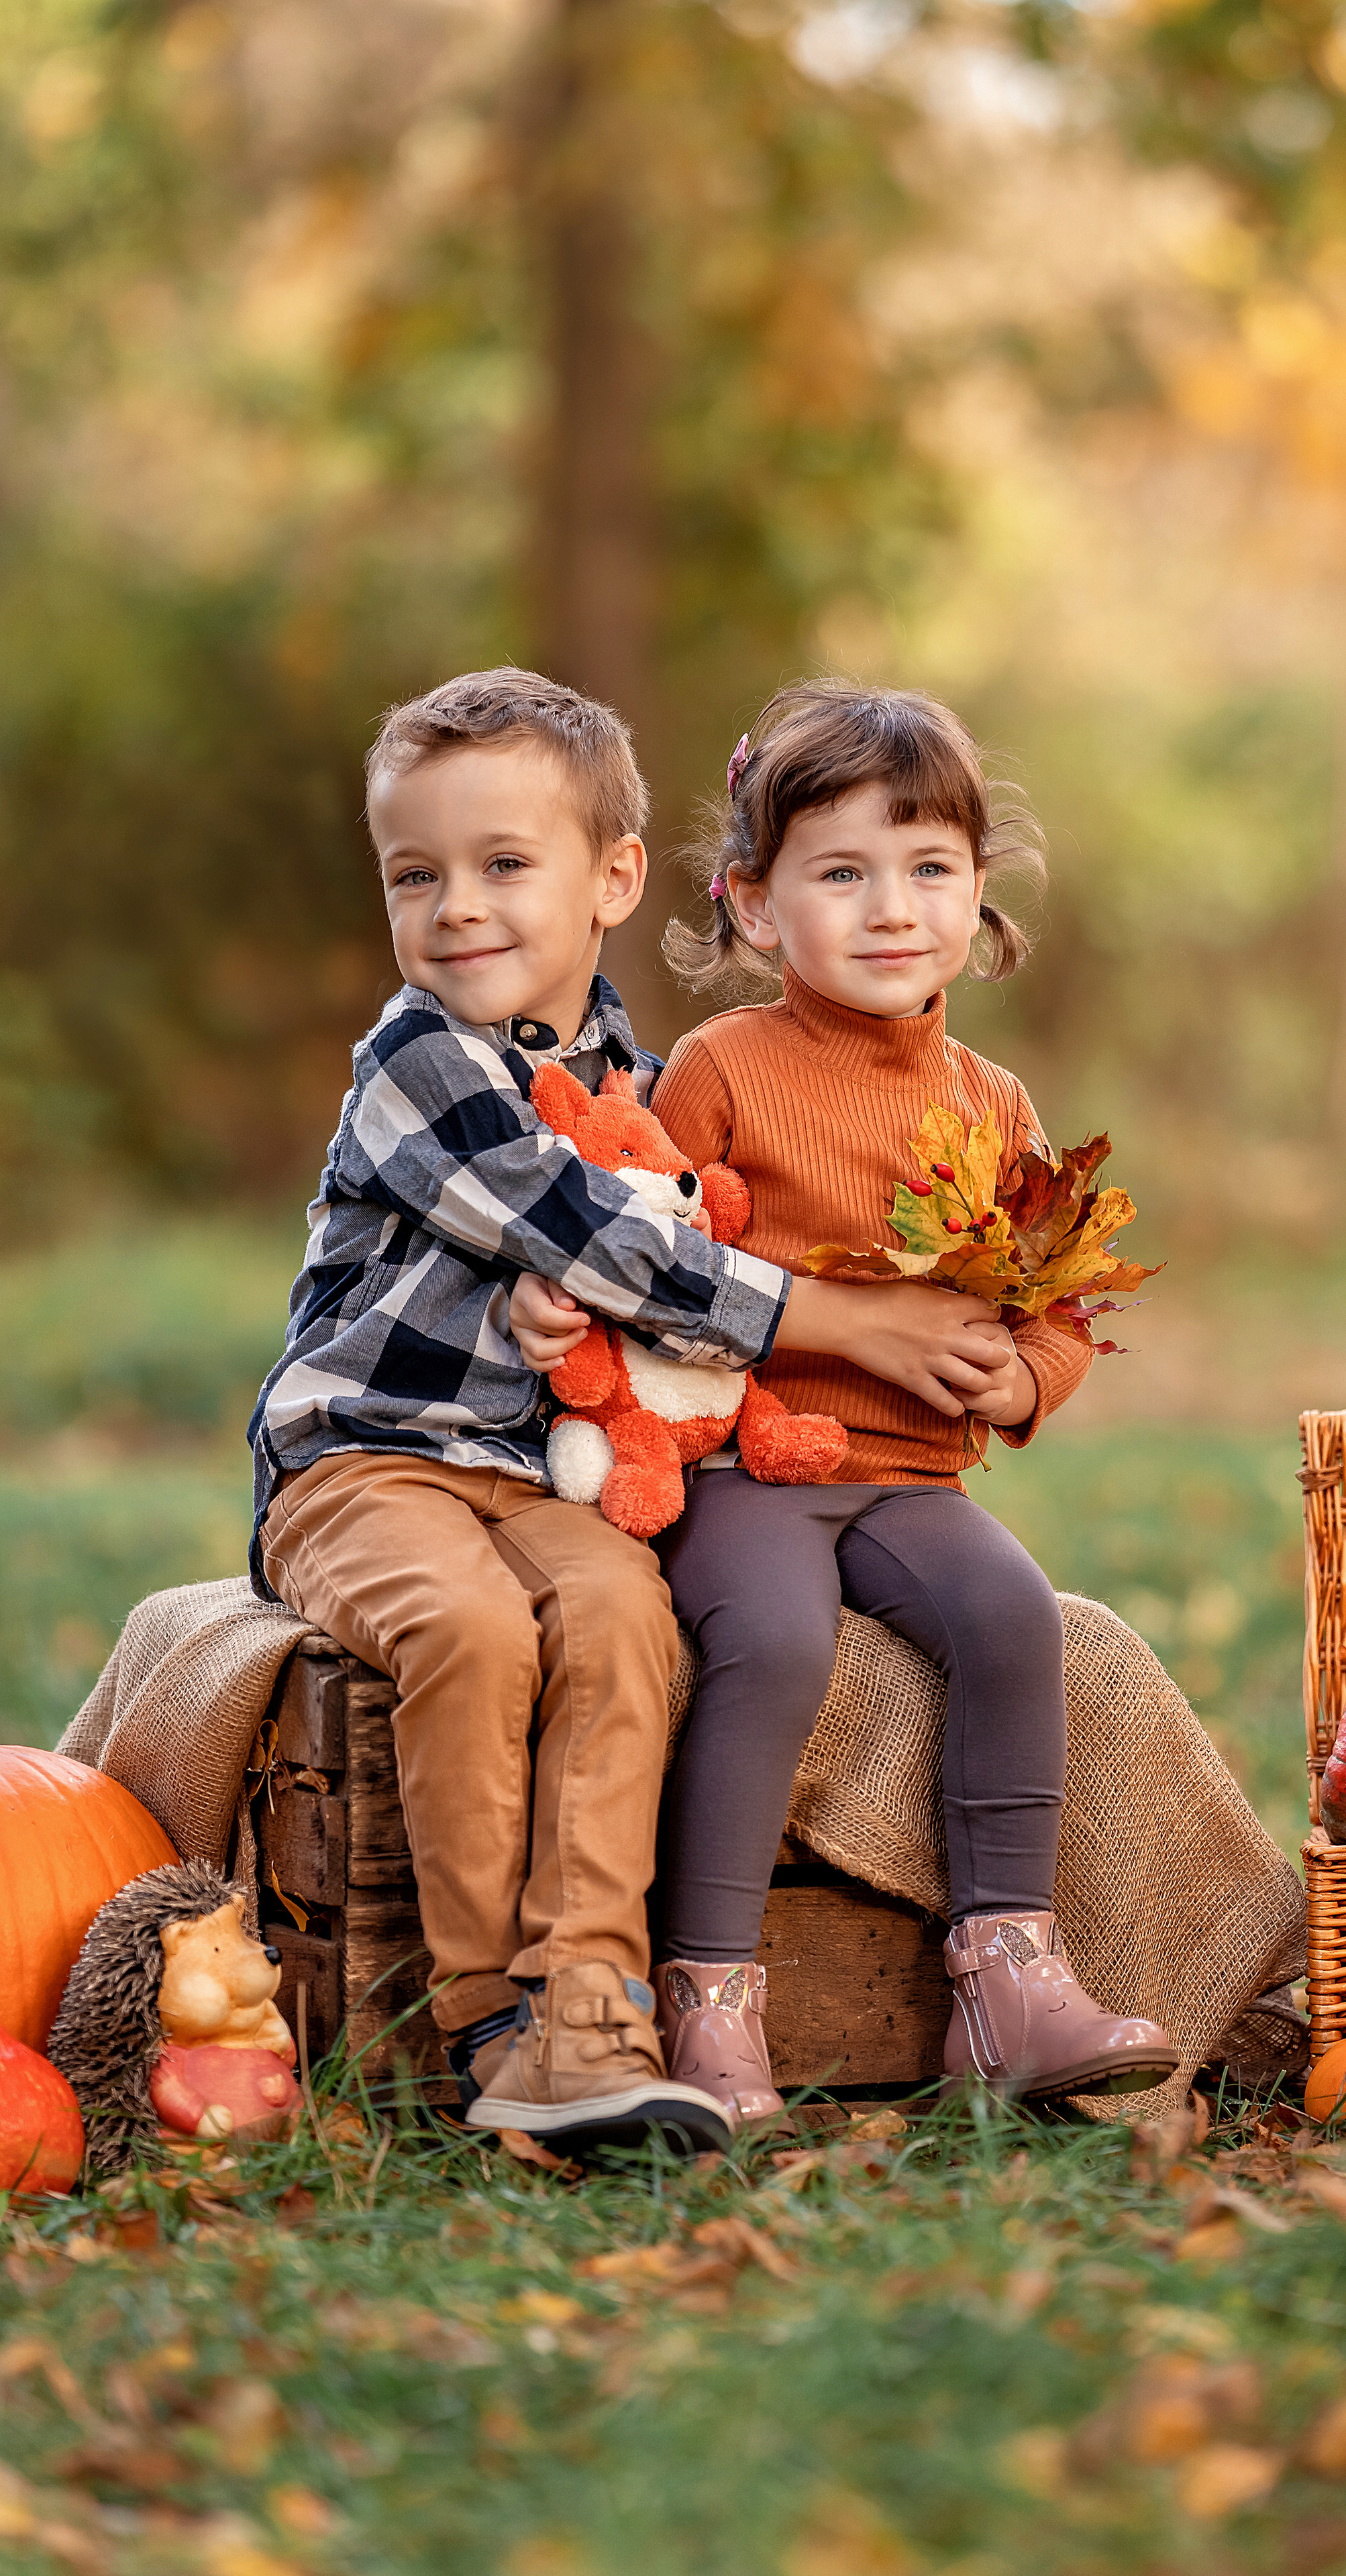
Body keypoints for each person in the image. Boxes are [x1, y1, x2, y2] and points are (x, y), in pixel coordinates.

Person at [248, 667, 1020, 2157]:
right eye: (418, 875)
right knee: (468, 1632)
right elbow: (616, 1243)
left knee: (623, 1627)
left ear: (609, 882)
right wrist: (822, 1316)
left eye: (502, 866)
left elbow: (637, 1270)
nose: (457, 907)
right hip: (364, 1470)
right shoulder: (418, 1061)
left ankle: (590, 2001)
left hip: (538, 1481)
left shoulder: (637, 1083)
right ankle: (484, 2012)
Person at [510, 680, 1178, 2121]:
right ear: (754, 910)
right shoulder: (721, 1072)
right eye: (841, 873)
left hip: (907, 1482)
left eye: (928, 869)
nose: (891, 910)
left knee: (1010, 1618)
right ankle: (710, 1996)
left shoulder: (991, 1104)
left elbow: (1053, 1304)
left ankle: (1004, 1978)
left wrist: (1019, 1375)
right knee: (772, 1643)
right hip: (745, 1471)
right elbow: (643, 1240)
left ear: (978, 893)